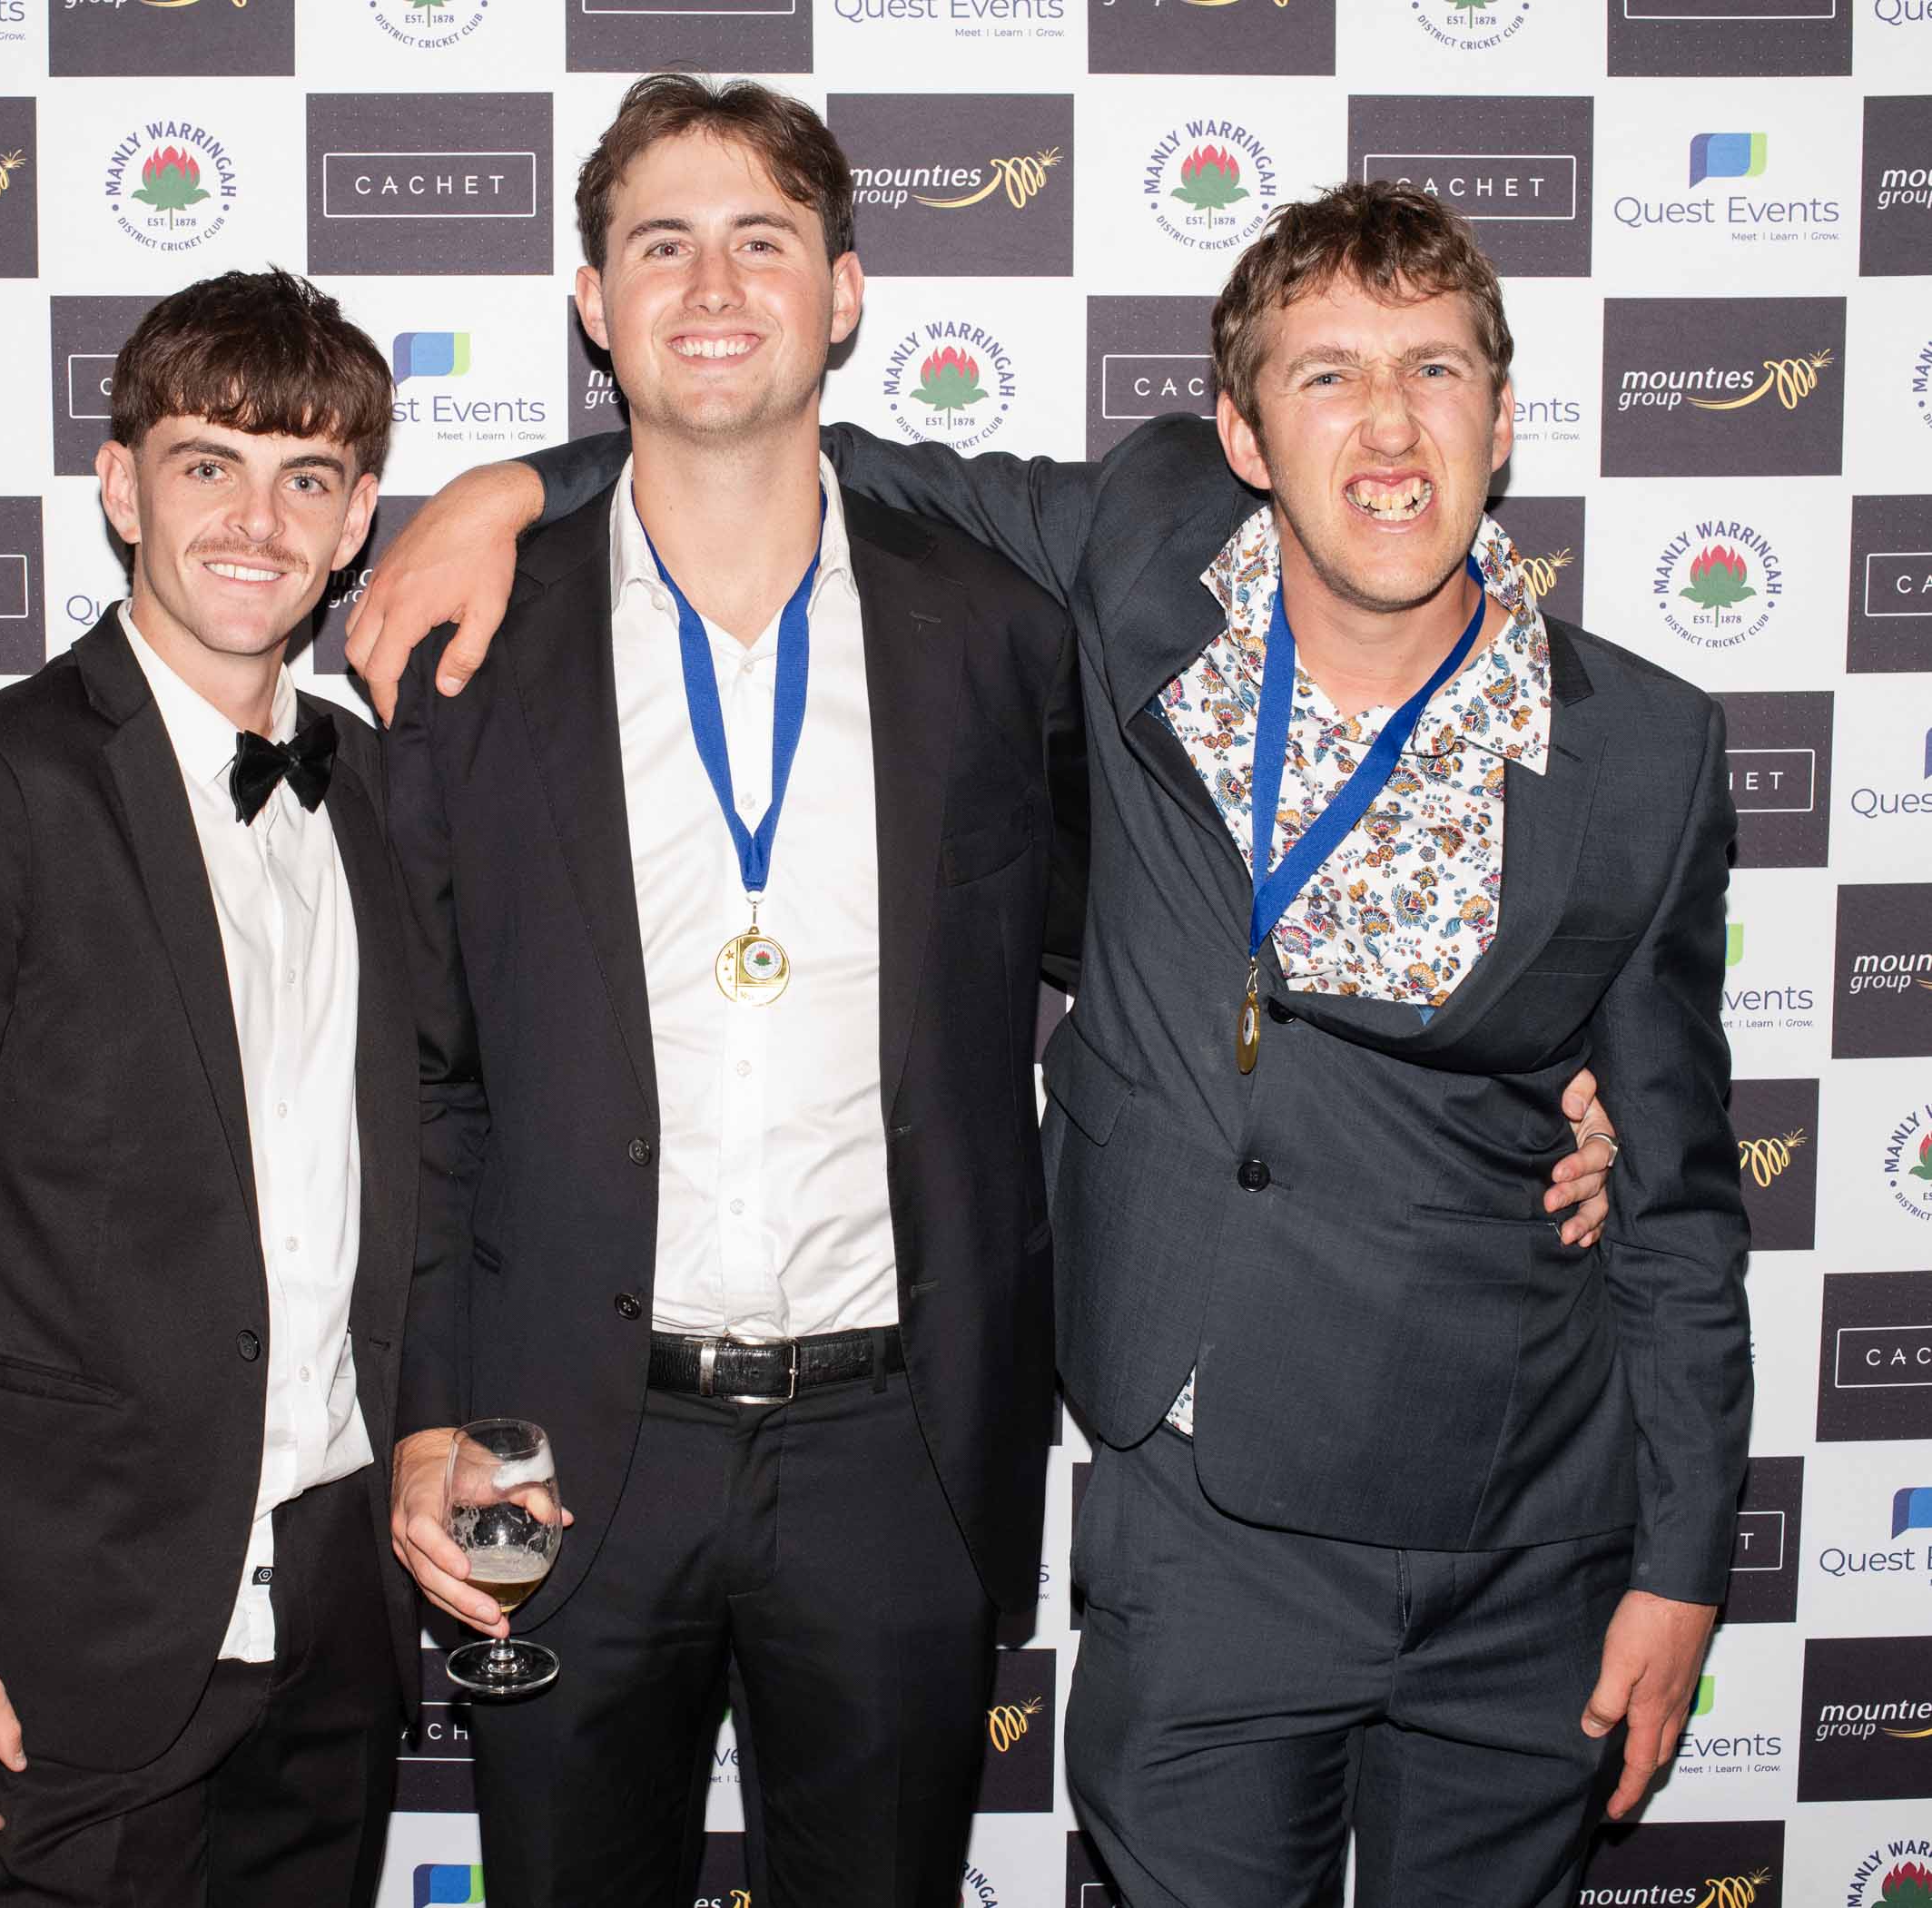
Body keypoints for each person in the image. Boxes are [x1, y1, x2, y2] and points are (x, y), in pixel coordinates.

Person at [352, 178, 1732, 1908]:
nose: (1388, 428)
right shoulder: (1148, 556)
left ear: (1504, 415)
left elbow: (1681, 1213)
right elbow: (762, 436)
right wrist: (504, 488)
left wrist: (1685, 1565)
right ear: (1241, 433)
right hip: (1206, 1527)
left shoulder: (1647, 752)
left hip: (1521, 1529)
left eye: (1435, 371)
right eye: (1327, 376)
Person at [380, 74, 1082, 1907]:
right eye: (661, 244)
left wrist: (1486, 1068)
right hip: (555, 1444)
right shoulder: (471, 651)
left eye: (763, 240)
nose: (711, 286)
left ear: (841, 292)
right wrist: (432, 1410)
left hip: (897, 1452)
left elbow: (1148, 958)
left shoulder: (997, 634)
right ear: (593, 303)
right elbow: (427, 1078)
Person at [0, 268, 441, 1906]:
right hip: (71, 1625)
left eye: (307, 477)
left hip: (331, 1606)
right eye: (208, 463)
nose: (257, 521)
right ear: (120, 485)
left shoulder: (374, 790)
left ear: (357, 520)